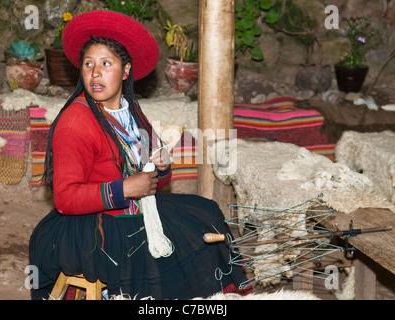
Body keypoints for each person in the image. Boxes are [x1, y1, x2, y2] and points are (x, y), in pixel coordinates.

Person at [29, 10, 249, 300]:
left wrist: (162, 166)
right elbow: (66, 199)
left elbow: (151, 173)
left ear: (125, 71)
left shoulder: (130, 112)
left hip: (135, 209)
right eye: (88, 64)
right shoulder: (76, 121)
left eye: (106, 63)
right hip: (91, 225)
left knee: (206, 212)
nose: (95, 73)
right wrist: (125, 188)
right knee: (153, 250)